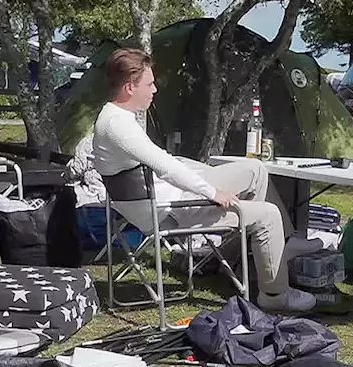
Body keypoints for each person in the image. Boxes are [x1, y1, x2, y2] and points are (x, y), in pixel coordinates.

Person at [92, 47, 320, 312]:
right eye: (150, 83)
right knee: (267, 215)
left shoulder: (117, 118)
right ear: (130, 86)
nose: (154, 90)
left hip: (171, 197)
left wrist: (201, 176)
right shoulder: (118, 125)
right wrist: (211, 191)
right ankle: (275, 294)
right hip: (171, 210)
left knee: (254, 170)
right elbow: (165, 167)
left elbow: (164, 162)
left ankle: (276, 250)